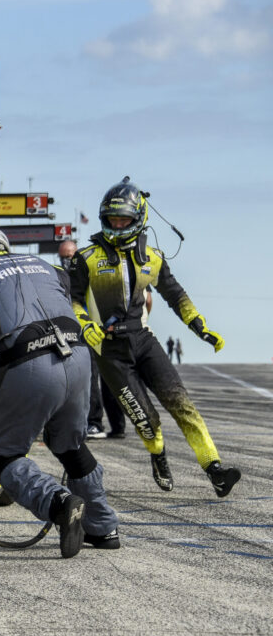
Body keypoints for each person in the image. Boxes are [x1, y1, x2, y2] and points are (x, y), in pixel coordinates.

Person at [0, 225, 120, 558]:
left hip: (27, 364)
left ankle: (59, 503)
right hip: (78, 357)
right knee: (71, 444)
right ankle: (103, 527)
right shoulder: (48, 268)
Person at [69, 178, 240, 497]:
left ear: (139, 219)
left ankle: (215, 470)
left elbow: (176, 296)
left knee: (183, 405)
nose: (118, 225)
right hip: (109, 352)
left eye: (124, 220)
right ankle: (158, 455)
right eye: (112, 219)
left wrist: (200, 326)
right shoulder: (85, 257)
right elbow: (72, 299)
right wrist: (84, 324)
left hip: (143, 340)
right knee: (149, 423)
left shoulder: (154, 257)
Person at [59, 239, 107, 440]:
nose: (67, 261)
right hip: (67, 333)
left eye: (70, 256)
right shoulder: (59, 277)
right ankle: (69, 423)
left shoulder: (90, 273)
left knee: (90, 378)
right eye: (63, 257)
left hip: (88, 332)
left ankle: (95, 423)